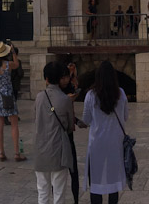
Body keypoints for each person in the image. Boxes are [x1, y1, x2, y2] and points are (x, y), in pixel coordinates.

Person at [82, 61, 128, 204]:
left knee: (96, 183)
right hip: (115, 144)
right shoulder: (121, 94)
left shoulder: (91, 95)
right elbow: (125, 117)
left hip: (97, 145)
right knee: (113, 183)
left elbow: (86, 119)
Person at [34, 61, 75, 204]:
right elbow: (70, 127)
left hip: (41, 150)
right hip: (58, 151)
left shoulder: (39, 97)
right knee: (58, 193)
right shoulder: (65, 100)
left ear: (46, 79)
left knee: (42, 191)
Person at [0, 41, 25, 162]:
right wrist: (13, 52)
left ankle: (1, 153)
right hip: (7, 95)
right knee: (14, 124)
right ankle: (16, 153)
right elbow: (17, 64)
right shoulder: (7, 65)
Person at [60, 63, 83, 204]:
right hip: (59, 134)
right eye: (66, 76)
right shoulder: (57, 93)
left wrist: (76, 120)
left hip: (69, 132)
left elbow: (76, 85)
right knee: (59, 171)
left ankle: (76, 200)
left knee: (74, 170)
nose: (68, 79)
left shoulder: (70, 87)